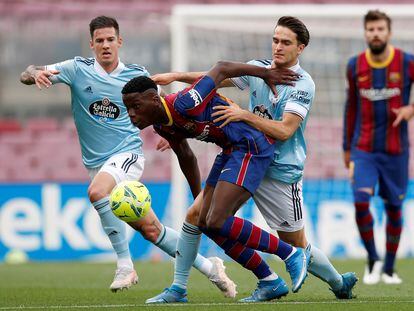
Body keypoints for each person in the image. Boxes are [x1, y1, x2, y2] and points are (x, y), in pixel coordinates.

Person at [19, 15, 236, 296]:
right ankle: (212, 269)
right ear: (92, 44)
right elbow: (28, 72)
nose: (106, 45)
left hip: (127, 154)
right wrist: (34, 73)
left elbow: (166, 106)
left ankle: (124, 265)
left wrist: (176, 132)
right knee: (152, 230)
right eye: (100, 41)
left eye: (111, 39)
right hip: (96, 163)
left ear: (119, 42)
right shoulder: (76, 68)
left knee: (97, 193)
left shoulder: (136, 76)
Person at [152, 16, 357, 300]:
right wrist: (177, 76)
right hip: (244, 156)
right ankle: (179, 287)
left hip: (280, 171)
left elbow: (285, 130)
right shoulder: (259, 68)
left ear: (301, 48)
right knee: (198, 217)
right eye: (275, 40)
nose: (278, 47)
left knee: (296, 243)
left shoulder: (302, 84)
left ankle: (337, 283)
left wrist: (244, 115)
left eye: (286, 42)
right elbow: (215, 79)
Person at [122, 59, 310, 303]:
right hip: (231, 150)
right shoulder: (161, 125)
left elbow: (221, 68)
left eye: (135, 106)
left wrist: (266, 74)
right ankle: (269, 280)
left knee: (217, 220)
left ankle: (291, 254)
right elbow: (186, 156)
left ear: (154, 100)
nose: (131, 114)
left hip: (251, 146)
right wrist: (198, 195)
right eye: (127, 109)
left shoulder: (185, 102)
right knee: (205, 222)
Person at [343, 10, 414, 285]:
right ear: (365, 33)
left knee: (394, 209)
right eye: (370, 29)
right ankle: (373, 259)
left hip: (396, 151)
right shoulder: (355, 66)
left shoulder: (407, 63)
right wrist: (346, 152)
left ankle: (390, 268)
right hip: (364, 150)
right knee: (361, 200)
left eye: (380, 29)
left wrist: (410, 108)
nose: (375, 33)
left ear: (389, 32)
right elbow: (351, 109)